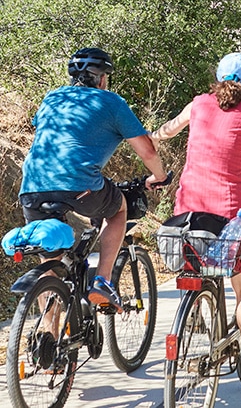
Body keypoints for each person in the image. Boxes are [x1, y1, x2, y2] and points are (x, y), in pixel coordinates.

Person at [151, 52, 241, 383]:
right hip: (229, 213)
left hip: (187, 207)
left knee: (196, 262)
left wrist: (151, 137)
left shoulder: (198, 105)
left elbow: (169, 129)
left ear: (218, 78)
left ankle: (193, 314)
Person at [19, 47, 168, 311]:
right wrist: (159, 176)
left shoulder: (52, 98)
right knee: (119, 208)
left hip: (32, 187)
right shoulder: (111, 102)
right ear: (101, 78)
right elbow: (147, 150)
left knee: (48, 263)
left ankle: (48, 339)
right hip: (79, 186)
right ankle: (103, 280)